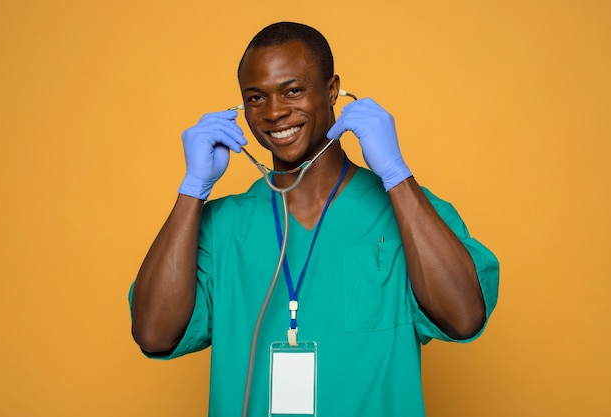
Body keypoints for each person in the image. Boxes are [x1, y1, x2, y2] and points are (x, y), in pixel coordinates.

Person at [130, 21, 499, 417]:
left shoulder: (411, 211)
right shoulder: (220, 227)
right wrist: (192, 188)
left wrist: (396, 174)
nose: (274, 112)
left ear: (332, 90)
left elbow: (464, 318)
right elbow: (154, 335)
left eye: (293, 90)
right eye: (256, 98)